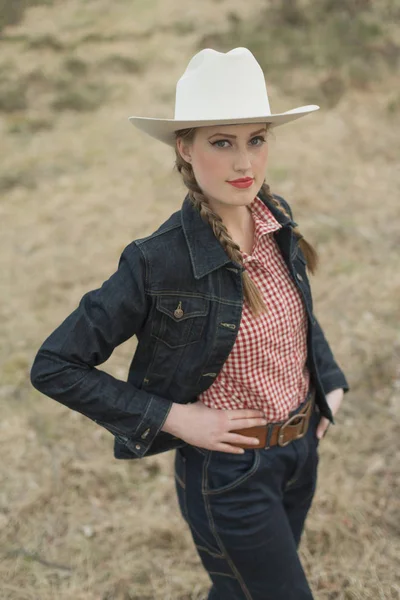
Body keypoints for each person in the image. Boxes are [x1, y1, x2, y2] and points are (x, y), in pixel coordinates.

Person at [30, 47, 349, 599]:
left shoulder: (276, 219)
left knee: (239, 590)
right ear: (185, 146)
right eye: (222, 142)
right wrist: (175, 418)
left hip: (300, 453)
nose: (244, 163)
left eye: (257, 139)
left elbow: (294, 313)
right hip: (231, 478)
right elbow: (55, 365)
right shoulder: (157, 261)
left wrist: (329, 382)